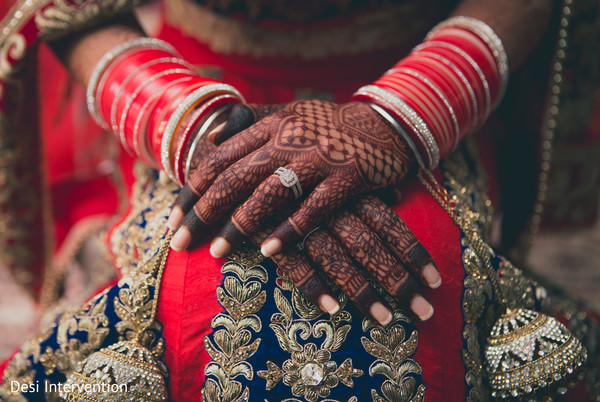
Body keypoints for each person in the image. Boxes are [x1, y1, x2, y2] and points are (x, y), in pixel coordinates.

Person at [0, 0, 598, 400]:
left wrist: (397, 120)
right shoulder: (200, 126)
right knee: (203, 287)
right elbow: (65, 9)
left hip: (422, 80)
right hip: (187, 90)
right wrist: (200, 134)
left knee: (419, 282)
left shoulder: (407, 111)